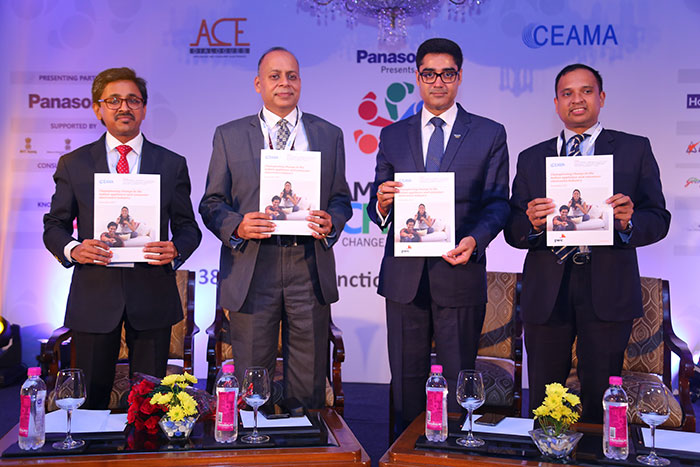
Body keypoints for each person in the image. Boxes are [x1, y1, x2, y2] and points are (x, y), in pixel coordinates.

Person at [504, 63, 670, 423]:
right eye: (567, 93)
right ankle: (548, 451)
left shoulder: (634, 149)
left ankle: (596, 452)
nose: (576, 99)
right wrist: (531, 224)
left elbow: (659, 218)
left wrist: (629, 222)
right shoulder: (532, 158)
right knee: (546, 399)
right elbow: (513, 230)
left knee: (600, 399)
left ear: (602, 97)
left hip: (608, 286)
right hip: (547, 290)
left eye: (586, 91)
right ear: (556, 103)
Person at [367, 38, 510, 435]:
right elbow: (378, 205)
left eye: (447, 74)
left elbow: (498, 203)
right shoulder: (392, 135)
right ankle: (404, 454)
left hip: (459, 272)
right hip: (404, 278)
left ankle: (454, 451)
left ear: (459, 77)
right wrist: (382, 204)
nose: (438, 82)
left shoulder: (488, 133)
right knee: (406, 382)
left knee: (458, 382)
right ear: (418, 78)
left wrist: (475, 240)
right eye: (429, 74)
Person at [199, 47, 352, 409]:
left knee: (309, 383)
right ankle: (255, 440)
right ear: (258, 84)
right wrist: (238, 225)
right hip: (253, 266)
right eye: (275, 76)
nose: (285, 83)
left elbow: (341, 199)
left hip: (308, 265)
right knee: (253, 380)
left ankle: (308, 442)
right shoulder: (229, 135)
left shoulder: (329, 134)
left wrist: (332, 220)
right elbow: (211, 203)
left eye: (292, 76)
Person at [43, 67, 202, 409]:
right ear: (97, 109)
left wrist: (175, 249)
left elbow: (189, 228)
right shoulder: (74, 163)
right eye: (113, 100)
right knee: (89, 405)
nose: (124, 107)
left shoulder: (171, 163)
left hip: (152, 295)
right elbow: (54, 226)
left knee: (151, 405)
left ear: (143, 109)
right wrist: (74, 249)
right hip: (94, 297)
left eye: (133, 100)